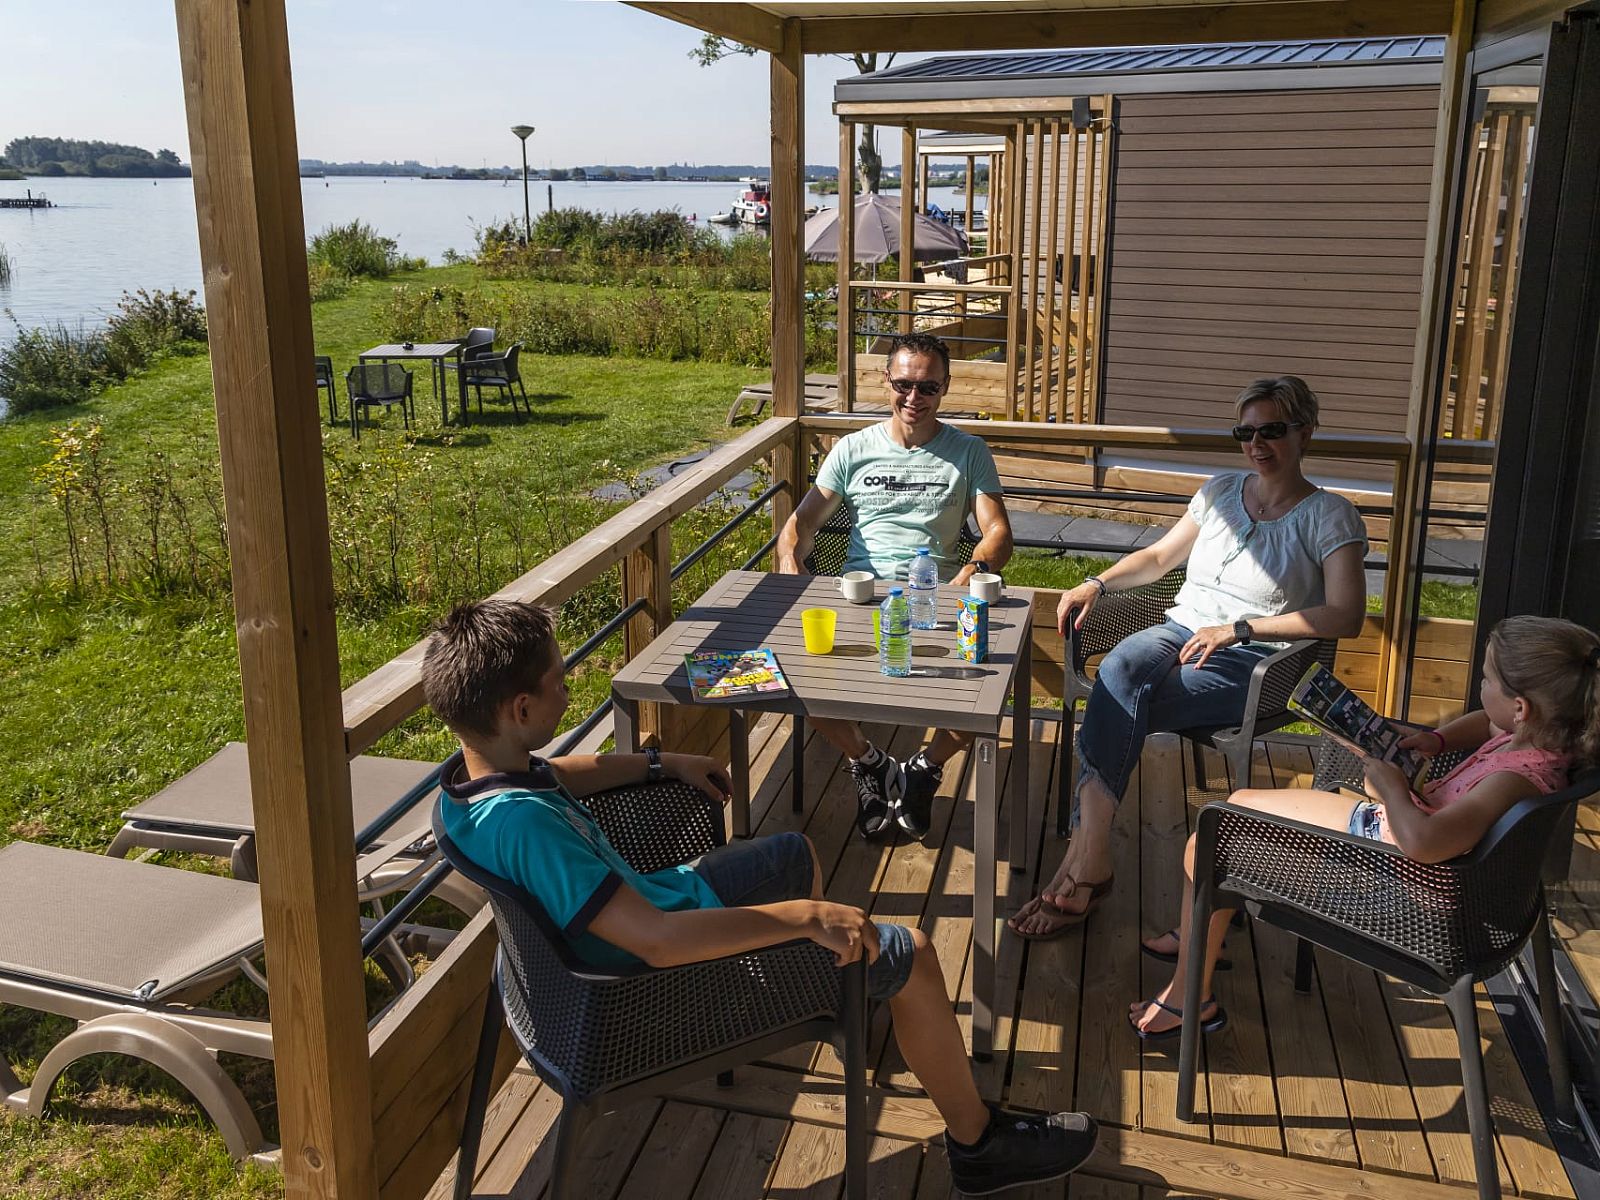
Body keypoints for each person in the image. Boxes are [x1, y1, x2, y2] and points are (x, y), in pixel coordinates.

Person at [422, 598, 1099, 1193]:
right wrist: (803, 918)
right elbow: (656, 942)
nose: (570, 691)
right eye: (559, 682)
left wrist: (662, 762)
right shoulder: (526, 828)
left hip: (641, 925)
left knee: (791, 853)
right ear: (520, 709)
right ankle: (977, 1145)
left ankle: (832, 1001)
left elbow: (558, 773)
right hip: (645, 994)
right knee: (915, 951)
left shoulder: (472, 781)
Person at [1011, 375, 1368, 939]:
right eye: (1244, 432)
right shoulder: (1221, 491)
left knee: (1116, 699)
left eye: (1271, 430)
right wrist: (1096, 583)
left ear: (1305, 432)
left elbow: (1346, 614)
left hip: (1253, 662)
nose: (1256, 444)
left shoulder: (1330, 515)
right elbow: (1156, 558)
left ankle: (1084, 860)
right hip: (1179, 630)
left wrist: (1240, 628)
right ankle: (1091, 855)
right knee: (1119, 671)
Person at [1129, 615, 1600, 1039]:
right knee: (1233, 807)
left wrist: (1391, 789)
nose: (1480, 687)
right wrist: (1436, 740)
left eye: (1486, 679)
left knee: (1208, 838)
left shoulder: (1512, 780)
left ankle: (1190, 996)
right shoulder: (1541, 741)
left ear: (1520, 708)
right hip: (1418, 858)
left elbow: (1425, 844)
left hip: (1400, 880)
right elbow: (1486, 723)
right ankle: (1201, 927)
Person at [777, 332, 1014, 843]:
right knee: (796, 679)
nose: (914, 398)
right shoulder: (852, 449)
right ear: (885, 380)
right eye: (903, 384)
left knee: (987, 693)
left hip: (939, 597)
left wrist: (972, 570)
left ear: (946, 387)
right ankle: (872, 764)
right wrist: (788, 558)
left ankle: (924, 769)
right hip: (864, 597)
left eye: (928, 387)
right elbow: (800, 523)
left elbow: (997, 531)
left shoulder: (968, 452)